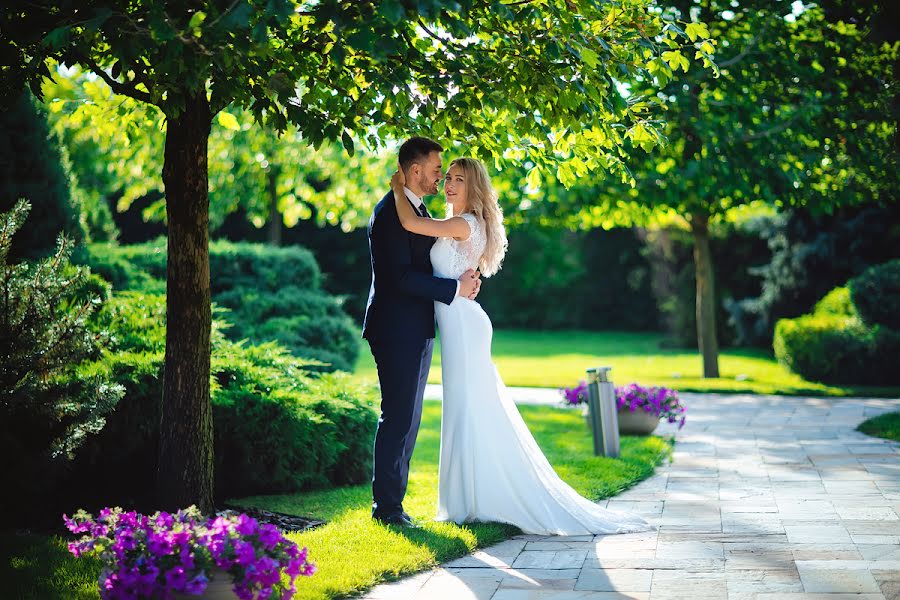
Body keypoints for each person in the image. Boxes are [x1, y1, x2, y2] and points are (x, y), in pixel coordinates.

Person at [389, 157, 650, 535]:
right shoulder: (456, 224)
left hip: (464, 324)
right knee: (466, 408)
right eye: (447, 178)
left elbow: (412, 223)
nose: (448, 185)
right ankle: (467, 500)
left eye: (458, 180)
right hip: (462, 320)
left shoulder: (463, 224)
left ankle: (468, 503)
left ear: (474, 187)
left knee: (468, 408)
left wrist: (399, 186)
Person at [362, 137, 481, 527]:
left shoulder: (415, 208)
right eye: (435, 170)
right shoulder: (389, 213)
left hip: (418, 327)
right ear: (415, 171)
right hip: (396, 328)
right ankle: (388, 509)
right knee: (397, 417)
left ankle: (394, 504)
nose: (439, 178)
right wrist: (454, 289)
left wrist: (461, 280)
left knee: (409, 418)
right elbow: (398, 278)